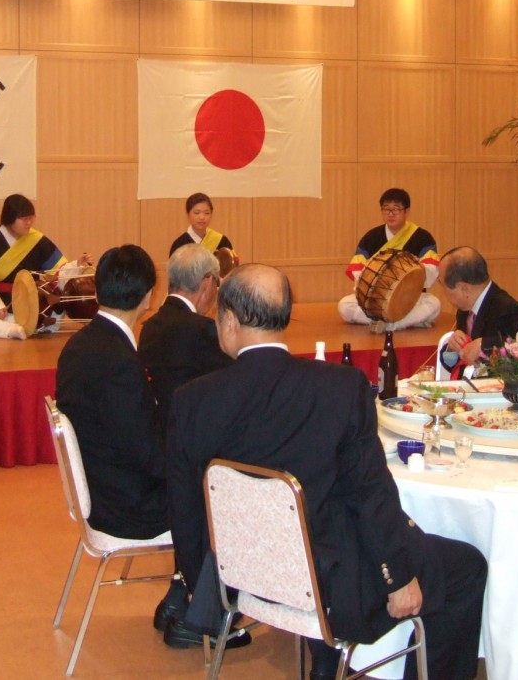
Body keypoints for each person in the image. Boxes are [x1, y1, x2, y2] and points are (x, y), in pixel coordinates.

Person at [167, 263, 487, 680]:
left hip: (243, 577)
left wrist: (204, 586)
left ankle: (326, 661)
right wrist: (397, 576)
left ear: (228, 322)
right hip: (331, 584)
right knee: (466, 567)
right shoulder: (340, 388)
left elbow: (184, 509)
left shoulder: (191, 402)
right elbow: (370, 493)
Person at [55, 244, 250, 651]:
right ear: (148, 295)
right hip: (125, 504)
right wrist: (197, 459)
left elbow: (135, 432)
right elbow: (149, 456)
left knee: (203, 473)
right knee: (220, 487)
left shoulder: (82, 344)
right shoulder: (116, 359)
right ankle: (203, 616)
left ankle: (179, 597)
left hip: (103, 483)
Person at [0, 194, 90, 339]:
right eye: (24, 219)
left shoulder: (38, 241)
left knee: (58, 302)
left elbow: (58, 273)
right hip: (1, 306)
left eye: (31, 218)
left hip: (34, 306)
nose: (29, 223)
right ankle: (10, 329)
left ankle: (15, 326)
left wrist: (77, 265)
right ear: (9, 218)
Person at [138, 244, 233, 438]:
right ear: (207, 282)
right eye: (217, 283)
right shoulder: (203, 329)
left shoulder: (149, 327)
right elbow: (234, 384)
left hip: (158, 434)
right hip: (195, 438)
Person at [338, 188, 441, 330]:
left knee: (434, 304)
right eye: (386, 209)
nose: (390, 214)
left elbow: (431, 270)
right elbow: (358, 271)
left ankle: (388, 324)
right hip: (377, 299)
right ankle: (403, 322)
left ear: (407, 211)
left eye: (396, 209)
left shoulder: (422, 238)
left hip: (410, 298)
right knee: (344, 305)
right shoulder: (371, 237)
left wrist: (414, 269)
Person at [437, 246, 518, 373]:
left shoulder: (506, 309)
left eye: (443, 285)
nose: (444, 292)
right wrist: (452, 349)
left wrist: (484, 345)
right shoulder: (465, 310)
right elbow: (453, 364)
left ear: (463, 288)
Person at [169, 192, 237, 263]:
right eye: (196, 213)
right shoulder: (179, 245)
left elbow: (232, 267)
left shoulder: (222, 241)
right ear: (188, 214)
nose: (202, 217)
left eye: (207, 213)